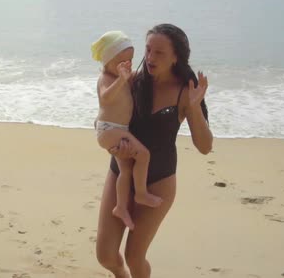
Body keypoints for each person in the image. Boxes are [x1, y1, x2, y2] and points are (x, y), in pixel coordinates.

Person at [95, 24, 213, 278]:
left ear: (176, 57)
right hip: (121, 173)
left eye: (159, 52)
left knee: (135, 258)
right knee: (105, 256)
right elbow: (106, 117)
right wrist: (113, 144)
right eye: (148, 50)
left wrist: (193, 108)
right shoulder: (132, 81)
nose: (149, 58)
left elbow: (205, 147)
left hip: (159, 180)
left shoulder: (186, 91)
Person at [91, 31, 163, 231]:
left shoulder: (121, 76)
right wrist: (122, 79)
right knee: (144, 155)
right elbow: (105, 98)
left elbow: (140, 78)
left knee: (126, 170)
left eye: (130, 60)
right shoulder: (106, 78)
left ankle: (121, 207)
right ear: (107, 61)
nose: (127, 65)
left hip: (116, 130)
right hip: (110, 130)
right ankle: (141, 193)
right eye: (121, 61)